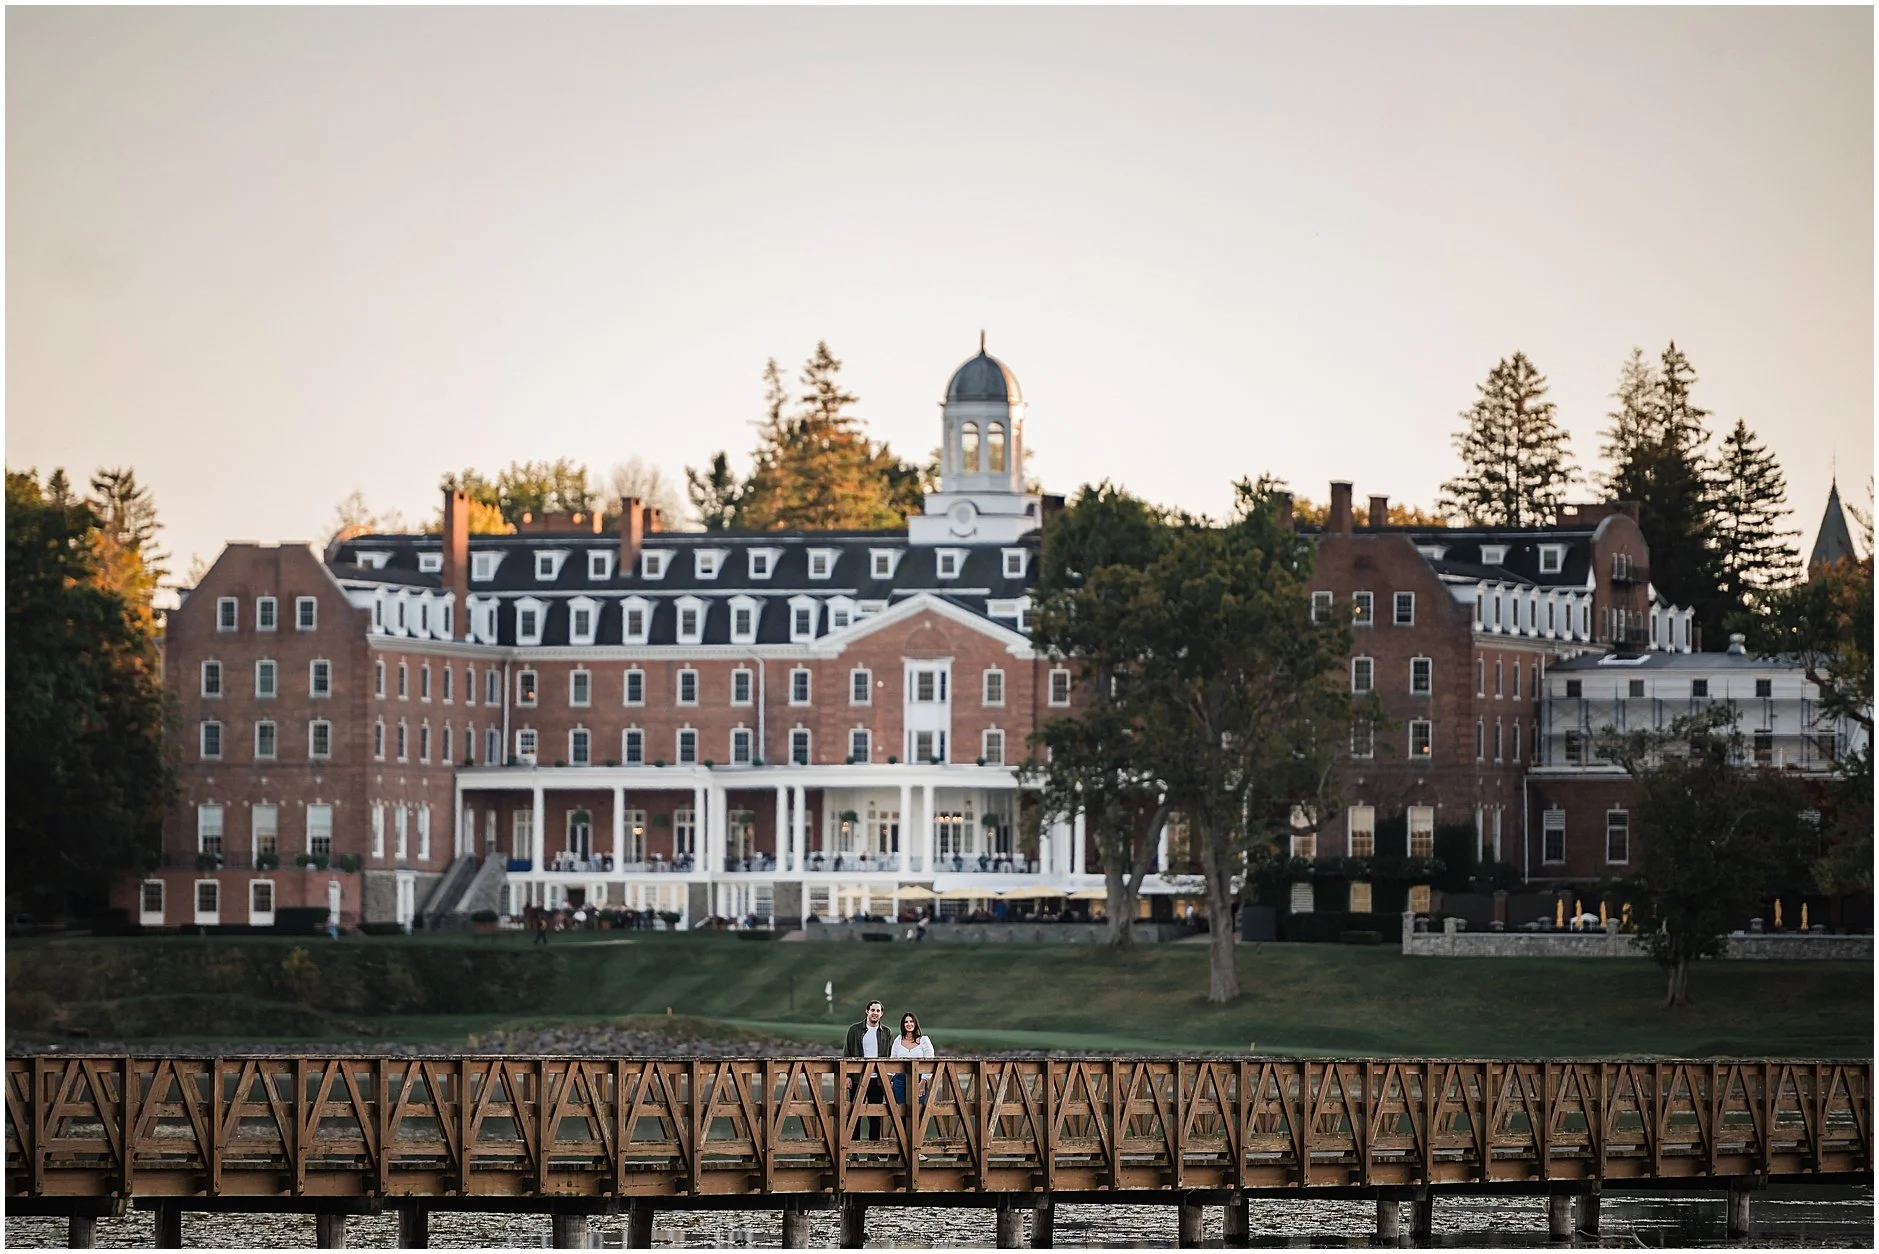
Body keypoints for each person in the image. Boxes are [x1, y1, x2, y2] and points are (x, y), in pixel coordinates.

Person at [842, 999, 891, 1142]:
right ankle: (854, 1150)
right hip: (858, 1078)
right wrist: (847, 1076)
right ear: (867, 1011)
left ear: (881, 1013)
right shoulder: (854, 1030)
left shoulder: (886, 1032)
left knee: (875, 1116)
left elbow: (889, 1056)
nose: (875, 1013)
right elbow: (847, 1053)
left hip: (878, 1080)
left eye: (878, 1011)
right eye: (872, 1010)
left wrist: (889, 1077)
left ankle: (873, 1151)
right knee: (854, 1114)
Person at [889, 1012, 935, 1109]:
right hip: (899, 1079)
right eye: (906, 1022)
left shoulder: (924, 1040)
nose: (909, 1024)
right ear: (903, 1024)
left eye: (911, 1021)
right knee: (900, 1110)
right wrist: (891, 1080)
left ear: (915, 1023)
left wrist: (923, 1082)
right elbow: (892, 1061)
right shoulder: (898, 1040)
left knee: (917, 1110)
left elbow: (930, 1062)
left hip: (918, 1078)